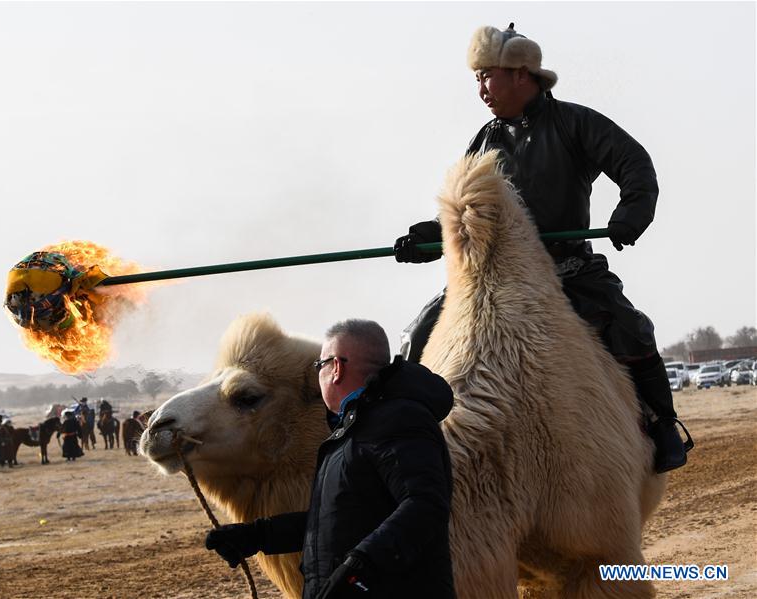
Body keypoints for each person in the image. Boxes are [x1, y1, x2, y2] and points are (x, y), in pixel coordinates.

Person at [392, 23, 691, 473]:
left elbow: (636, 166)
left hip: (567, 268)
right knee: (418, 334)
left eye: (486, 76)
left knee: (630, 327)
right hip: (494, 276)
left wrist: (631, 215)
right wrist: (430, 239)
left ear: (520, 74)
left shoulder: (576, 123)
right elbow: (464, 212)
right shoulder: (484, 141)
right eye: (476, 78)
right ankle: (405, 433)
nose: (480, 89)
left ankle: (665, 425)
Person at [205, 319, 455, 599]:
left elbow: (425, 507)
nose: (318, 374)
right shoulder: (353, 430)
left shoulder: (398, 420)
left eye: (319, 366)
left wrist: (359, 570)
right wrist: (256, 536)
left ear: (336, 368)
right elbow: (336, 521)